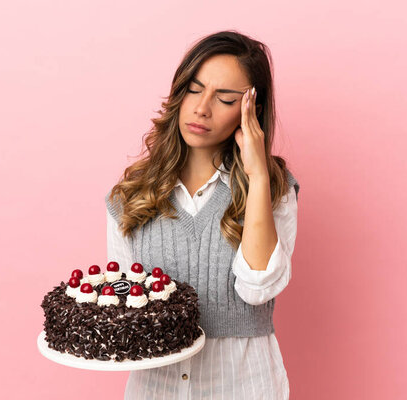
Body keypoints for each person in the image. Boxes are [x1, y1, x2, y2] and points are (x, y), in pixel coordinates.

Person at [105, 30, 300, 400]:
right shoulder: (130, 195)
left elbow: (257, 288)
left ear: (251, 110)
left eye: (225, 98)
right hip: (155, 388)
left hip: (243, 385)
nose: (202, 108)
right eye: (194, 89)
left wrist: (257, 176)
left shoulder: (274, 188)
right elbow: (124, 300)